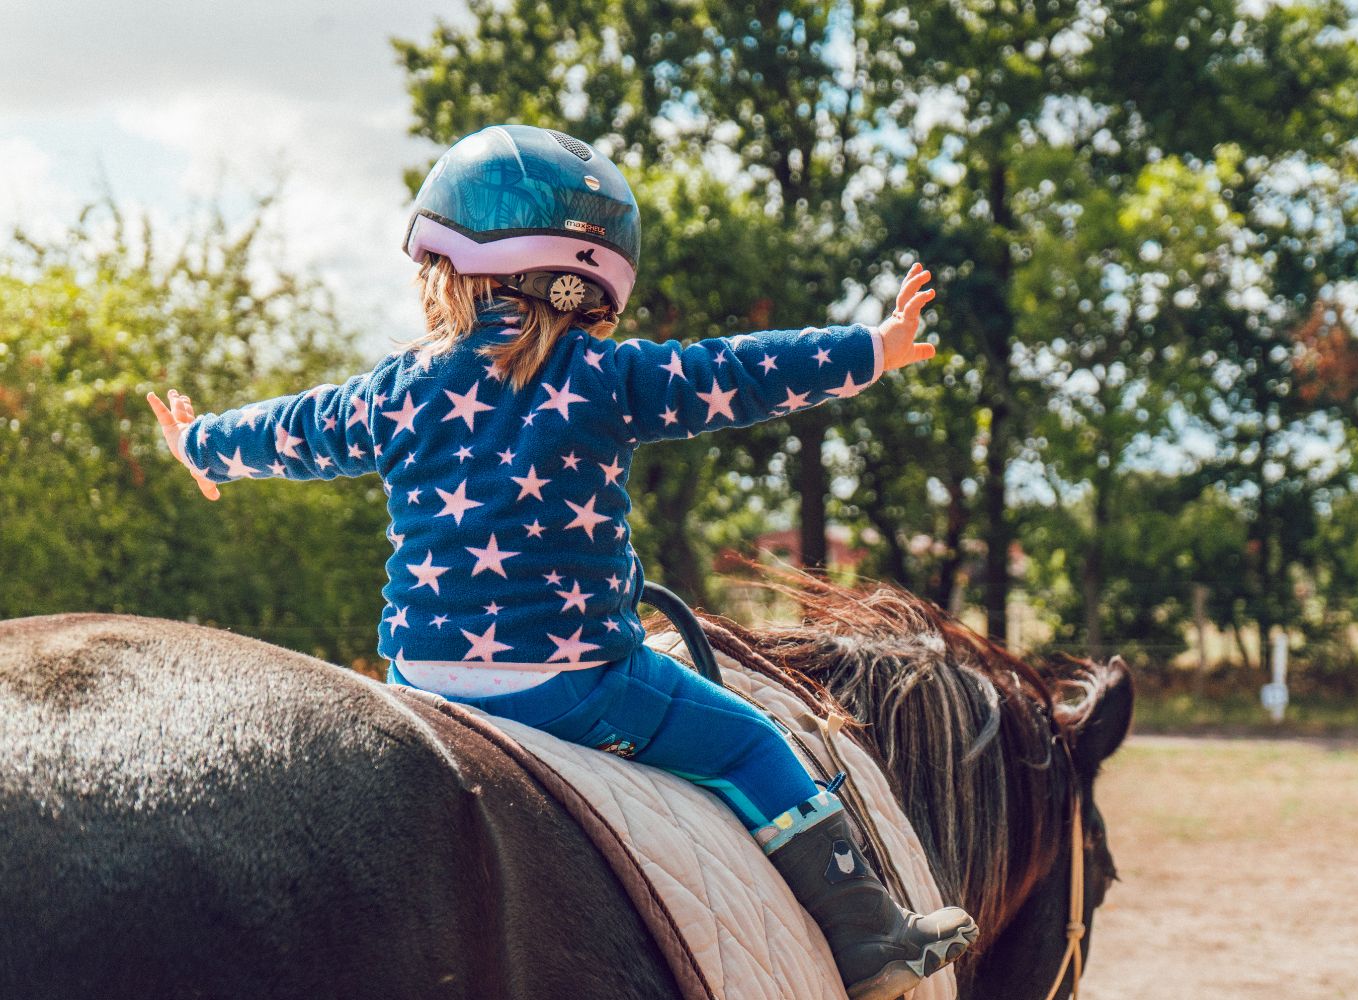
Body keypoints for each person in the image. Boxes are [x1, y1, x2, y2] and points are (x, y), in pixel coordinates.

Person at [148, 123, 975, 999]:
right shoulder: (606, 377)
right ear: (593, 284)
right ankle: (871, 938)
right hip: (573, 680)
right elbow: (737, 371)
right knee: (748, 743)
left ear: (444, 269)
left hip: (419, 680)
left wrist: (202, 444)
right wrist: (872, 350)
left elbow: (298, 428)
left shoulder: (397, 387)